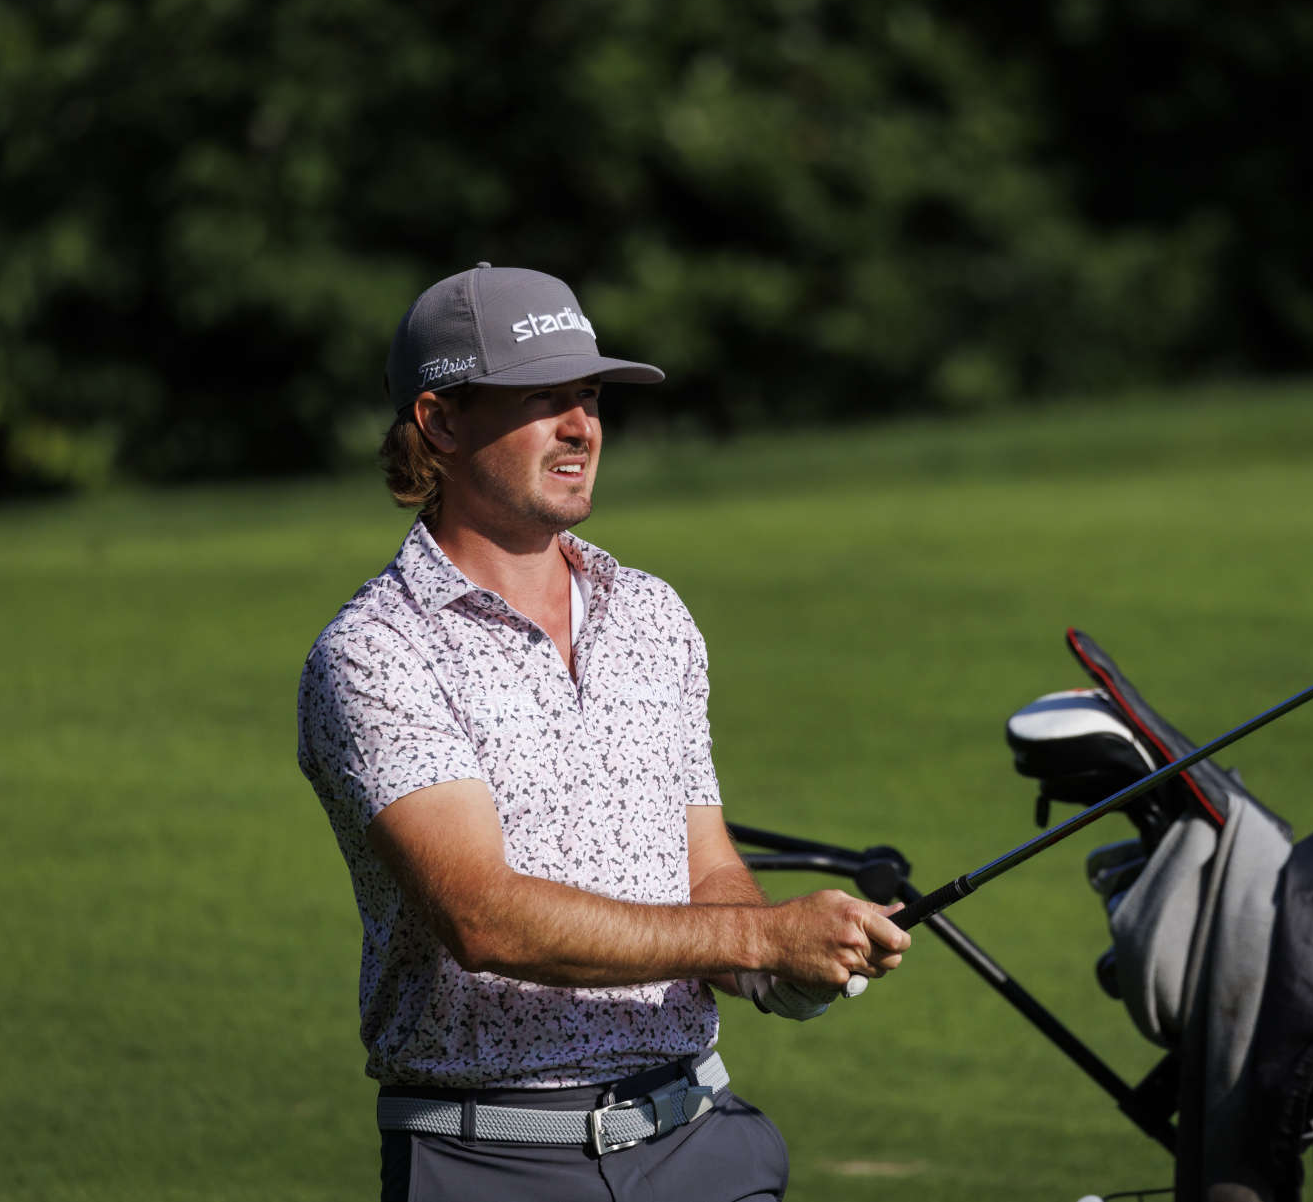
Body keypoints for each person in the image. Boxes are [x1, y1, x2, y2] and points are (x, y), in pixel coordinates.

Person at [297, 263, 912, 1202]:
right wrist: (756, 940)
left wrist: (775, 971)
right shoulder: (375, 651)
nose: (582, 426)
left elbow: (704, 862)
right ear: (441, 422)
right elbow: (482, 915)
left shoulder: (652, 615)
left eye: (588, 396)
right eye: (542, 398)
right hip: (491, 1160)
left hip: (702, 1137)